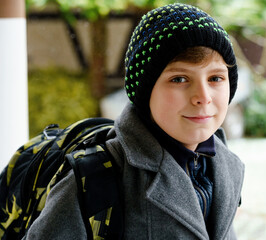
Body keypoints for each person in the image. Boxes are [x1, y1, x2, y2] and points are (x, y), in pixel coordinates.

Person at [24, 3, 245, 239]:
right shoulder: (97, 177)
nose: (203, 97)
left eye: (215, 78)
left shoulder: (223, 165)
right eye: (179, 79)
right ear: (144, 91)